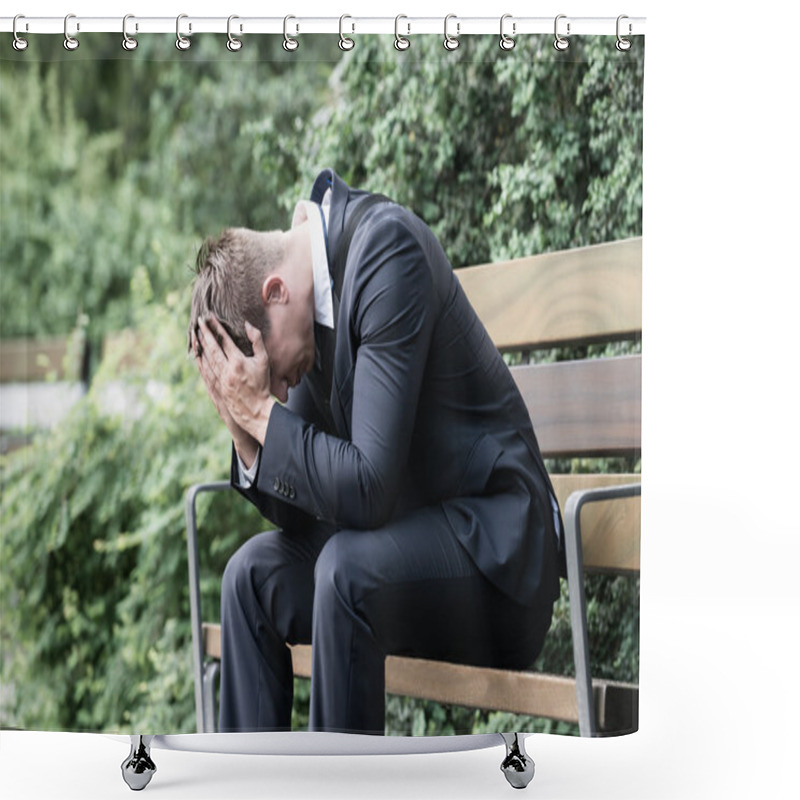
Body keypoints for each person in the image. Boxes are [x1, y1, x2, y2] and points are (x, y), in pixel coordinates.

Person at [188, 168, 563, 735]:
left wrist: (261, 412)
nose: (281, 391)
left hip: (494, 561)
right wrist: (245, 432)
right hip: (404, 548)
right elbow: (307, 504)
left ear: (275, 292)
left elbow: (367, 488)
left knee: (345, 571)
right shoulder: (306, 318)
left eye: (272, 377)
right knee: (250, 579)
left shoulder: (386, 252)